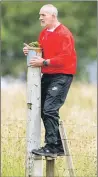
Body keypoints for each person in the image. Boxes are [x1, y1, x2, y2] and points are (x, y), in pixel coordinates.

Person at [23, 4, 77, 157]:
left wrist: (44, 62)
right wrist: (30, 50)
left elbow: (65, 58)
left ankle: (52, 146)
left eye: (43, 15)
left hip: (62, 75)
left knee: (50, 109)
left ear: (53, 16)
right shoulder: (44, 33)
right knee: (41, 109)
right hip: (48, 75)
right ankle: (57, 146)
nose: (40, 18)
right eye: (40, 15)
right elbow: (41, 51)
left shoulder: (64, 33)